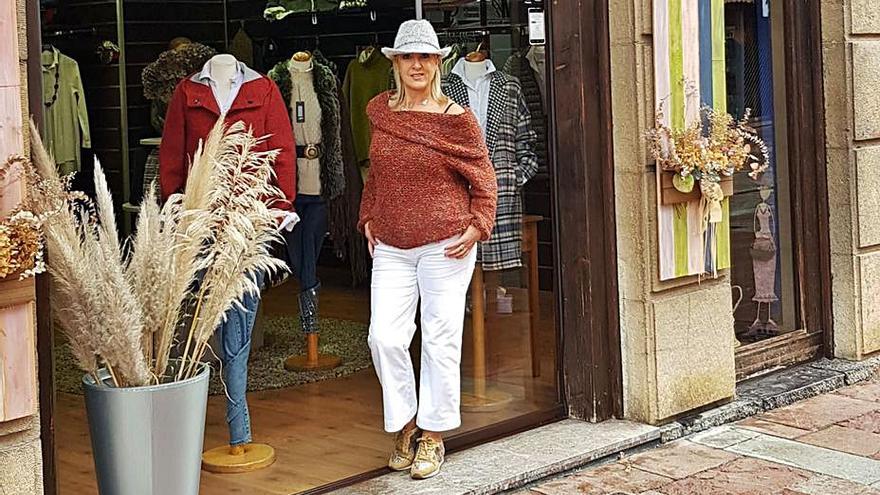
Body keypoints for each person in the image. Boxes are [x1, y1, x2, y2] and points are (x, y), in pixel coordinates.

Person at [358, 19, 498, 480]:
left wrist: (479, 225)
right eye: (407, 57)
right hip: (393, 245)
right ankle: (406, 422)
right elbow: (375, 175)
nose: (416, 65)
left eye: (425, 57)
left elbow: (484, 178)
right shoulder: (380, 111)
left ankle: (433, 437)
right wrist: (367, 216)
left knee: (440, 339)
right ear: (395, 64)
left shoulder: (457, 121)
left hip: (446, 245)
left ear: (438, 63)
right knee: (385, 337)